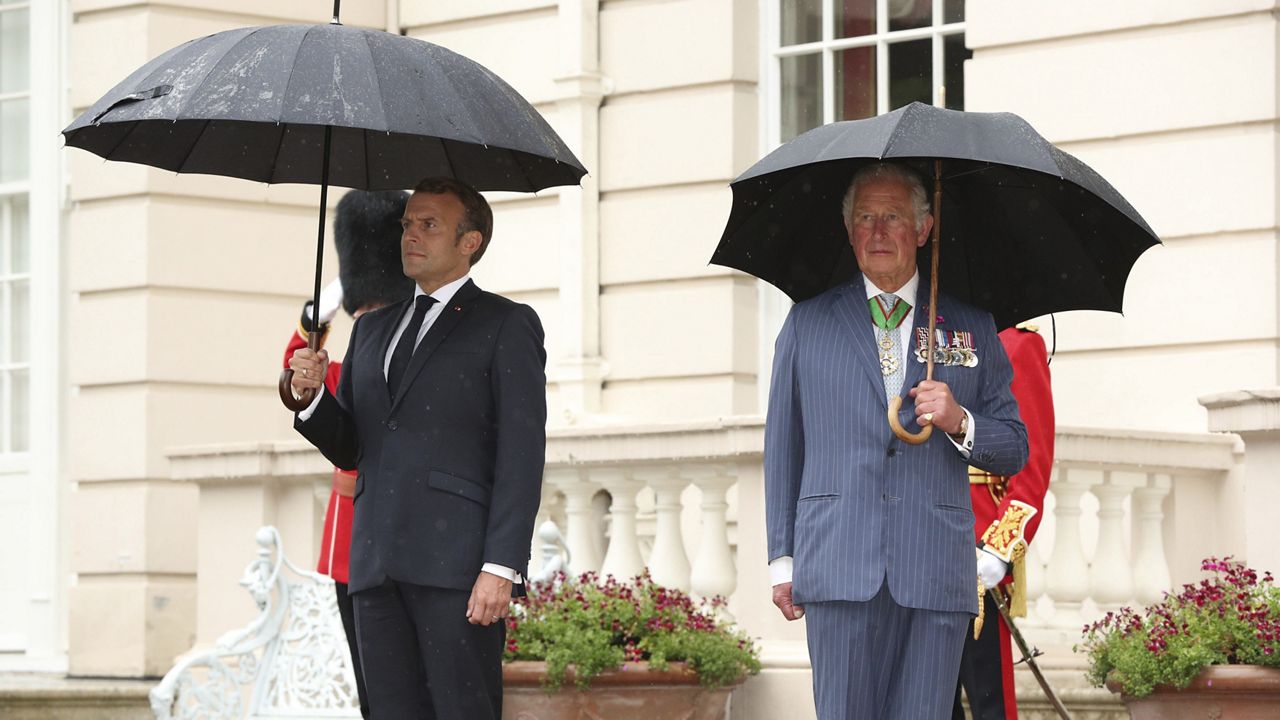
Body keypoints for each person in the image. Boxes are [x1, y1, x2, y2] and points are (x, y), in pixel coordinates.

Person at [764, 161, 1029, 720]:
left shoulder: (971, 325)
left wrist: (960, 420)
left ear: (924, 229)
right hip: (837, 563)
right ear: (848, 229)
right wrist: (782, 560)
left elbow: (1014, 447)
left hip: (934, 568)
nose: (878, 231)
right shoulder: (807, 323)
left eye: (893, 217)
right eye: (865, 217)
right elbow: (784, 448)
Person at [287, 177, 547, 720]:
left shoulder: (506, 323)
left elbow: (521, 457)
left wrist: (501, 567)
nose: (411, 235)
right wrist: (310, 399)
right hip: (374, 567)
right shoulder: (371, 330)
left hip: (457, 570)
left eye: (429, 225)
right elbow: (353, 447)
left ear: (470, 241)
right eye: (408, 224)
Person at [281, 189, 413, 720]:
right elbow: (301, 381)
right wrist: (312, 322)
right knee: (373, 685)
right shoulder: (346, 357)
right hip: (352, 537)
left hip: (409, 530)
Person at [953, 323, 1055, 720]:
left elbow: (1031, 465)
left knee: (988, 702)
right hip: (921, 544)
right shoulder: (924, 341)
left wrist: (999, 547)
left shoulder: (1017, 343)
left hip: (979, 547)